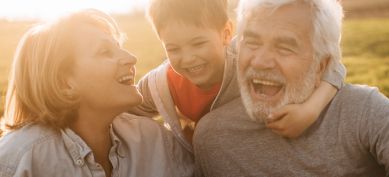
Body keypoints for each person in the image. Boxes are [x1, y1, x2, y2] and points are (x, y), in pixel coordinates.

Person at [193, 0, 389, 176]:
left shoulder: (364, 113)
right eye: (252, 42)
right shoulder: (212, 140)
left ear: (321, 66)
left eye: (285, 48)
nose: (260, 61)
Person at [129, 0, 347, 153]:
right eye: (173, 48)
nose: (188, 58)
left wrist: (310, 110)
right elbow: (126, 107)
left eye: (198, 44)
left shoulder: (246, 59)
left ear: (226, 33)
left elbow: (333, 67)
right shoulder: (160, 83)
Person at [0, 9, 193, 177]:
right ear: (64, 83)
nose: (131, 58)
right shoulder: (18, 160)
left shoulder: (154, 140)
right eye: (105, 52)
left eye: (119, 48)